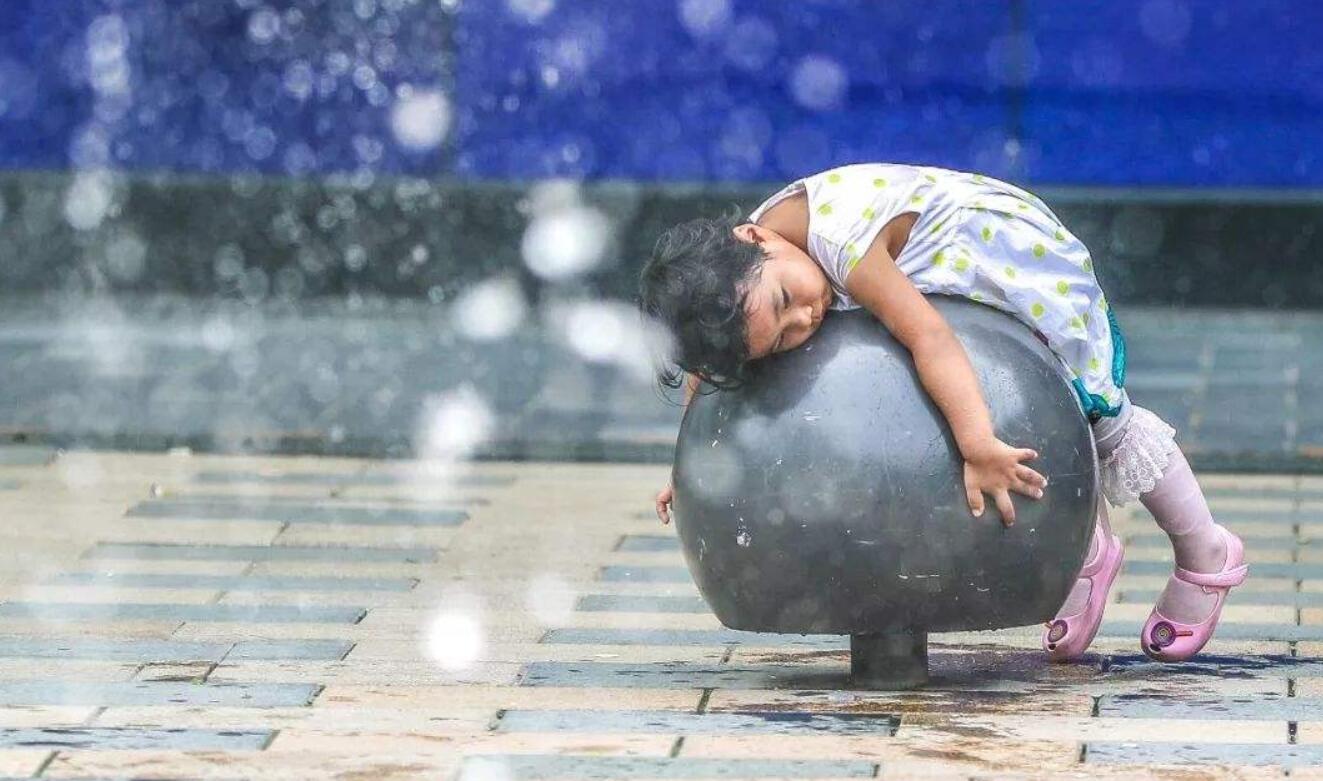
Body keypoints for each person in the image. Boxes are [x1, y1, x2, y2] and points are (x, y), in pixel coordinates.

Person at [638, 163, 1247, 662]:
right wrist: (689, 469)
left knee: (1099, 416)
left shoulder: (846, 250)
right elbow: (706, 374)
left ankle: (1205, 551)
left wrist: (977, 444)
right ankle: (1082, 557)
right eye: (780, 341)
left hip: (1010, 258)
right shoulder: (741, 285)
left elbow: (929, 337)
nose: (805, 319)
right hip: (940, 277)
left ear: (756, 238)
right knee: (1014, 398)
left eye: (786, 301)